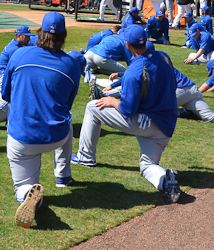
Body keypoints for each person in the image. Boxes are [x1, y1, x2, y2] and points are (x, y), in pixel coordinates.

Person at [73, 25, 183, 205]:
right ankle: (166, 181)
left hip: (144, 123)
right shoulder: (164, 57)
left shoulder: (134, 71)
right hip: (166, 126)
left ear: (127, 44)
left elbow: (127, 110)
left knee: (93, 107)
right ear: (146, 40)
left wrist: (112, 101)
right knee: (147, 166)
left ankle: (86, 156)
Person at [2, 13, 80, 227]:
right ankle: (63, 176)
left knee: (23, 186)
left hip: (22, 138)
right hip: (56, 137)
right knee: (67, 118)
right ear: (63, 36)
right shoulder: (71, 64)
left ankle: (27, 193)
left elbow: (6, 95)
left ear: (39, 33)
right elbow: (67, 104)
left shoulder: (19, 55)